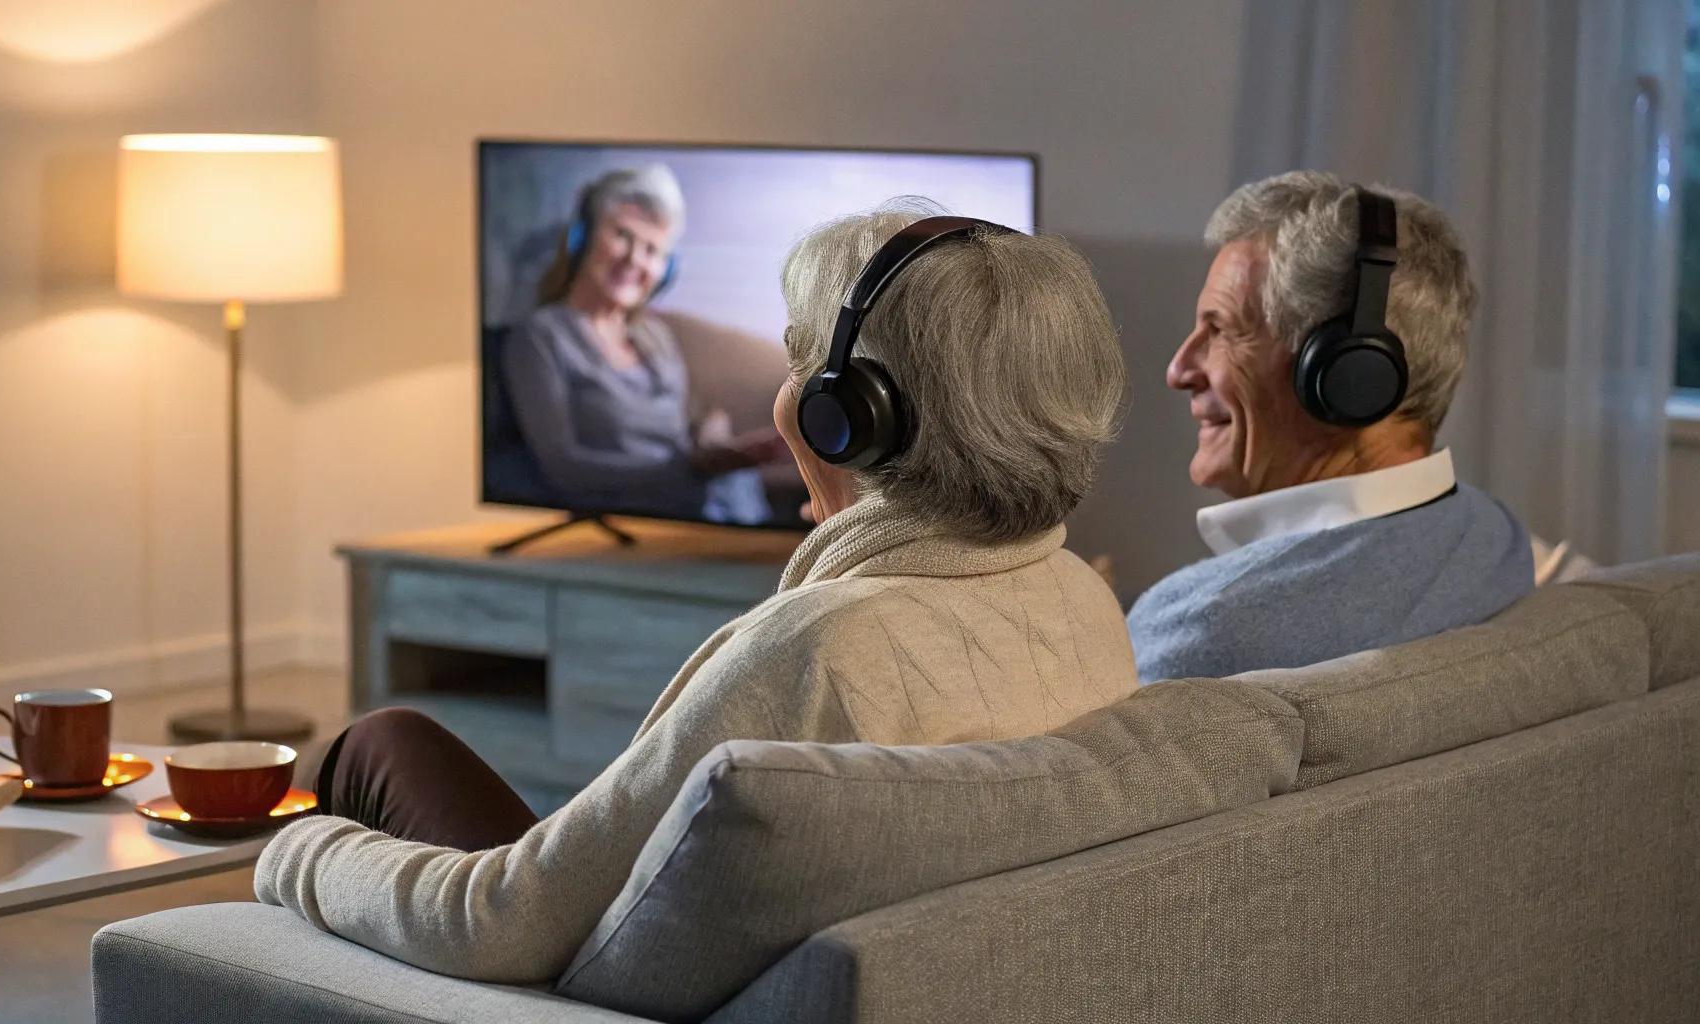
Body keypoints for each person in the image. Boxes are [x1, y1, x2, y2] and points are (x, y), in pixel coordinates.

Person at [255, 200, 1139, 983]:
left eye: (799, 363)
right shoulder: (1084, 600)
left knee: (376, 745)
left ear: (851, 414)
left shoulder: (818, 652)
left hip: (562, 988)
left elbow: (499, 924)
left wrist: (299, 852)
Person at [1126, 171, 1535, 683]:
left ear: (1345, 374)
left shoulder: (1200, 633)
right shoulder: (1495, 539)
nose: (1179, 369)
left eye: (1221, 329)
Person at [500, 165, 784, 524]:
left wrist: (717, 439)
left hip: (706, 515)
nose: (635, 260)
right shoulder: (540, 336)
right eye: (622, 235)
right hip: (637, 520)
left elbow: (692, 423)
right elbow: (564, 469)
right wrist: (693, 467)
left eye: (651, 249)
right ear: (581, 238)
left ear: (665, 270)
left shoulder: (655, 337)